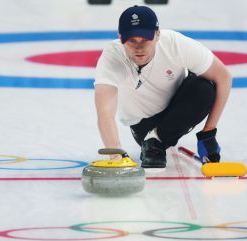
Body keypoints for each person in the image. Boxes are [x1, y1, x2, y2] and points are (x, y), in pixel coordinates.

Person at [94, 5, 232, 168]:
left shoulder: (175, 44)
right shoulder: (112, 56)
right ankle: (152, 141)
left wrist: (209, 132)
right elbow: (105, 113)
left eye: (145, 39)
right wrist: (116, 156)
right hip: (143, 124)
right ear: (120, 37)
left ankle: (158, 140)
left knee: (204, 89)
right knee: (146, 133)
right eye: (132, 41)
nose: (139, 48)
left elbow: (223, 77)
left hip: (180, 106)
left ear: (158, 34)